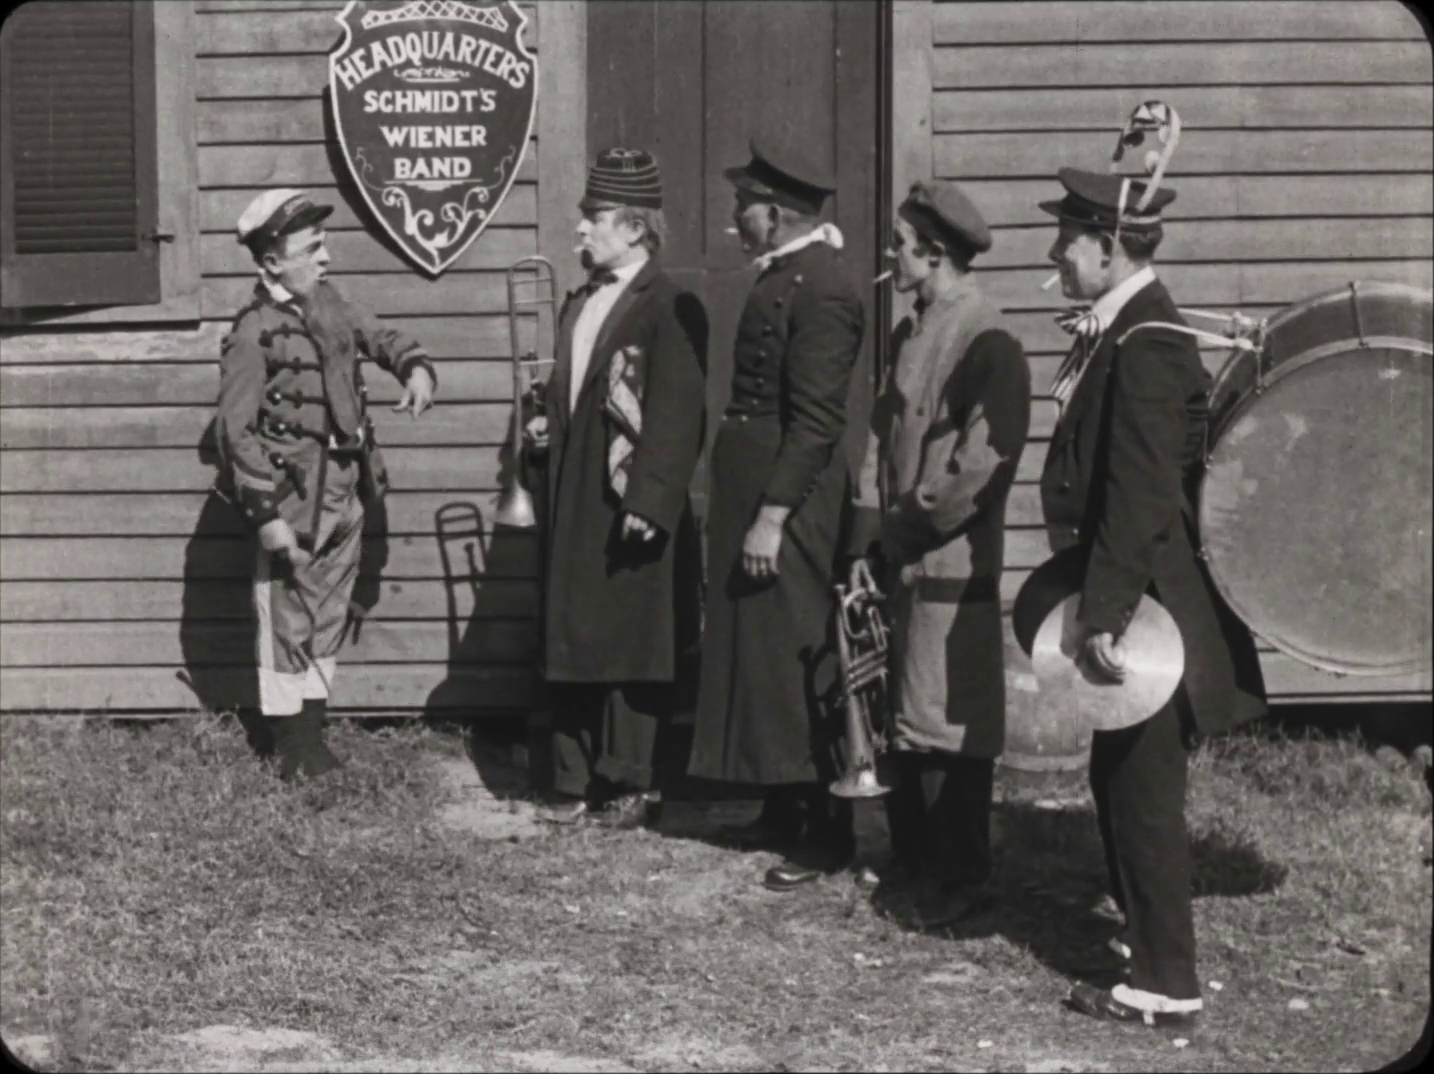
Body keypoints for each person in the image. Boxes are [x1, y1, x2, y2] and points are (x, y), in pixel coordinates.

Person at [1037, 147, 1266, 1025]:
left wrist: (1105, 614)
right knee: (1119, 778)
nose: (1055, 255)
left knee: (1142, 793)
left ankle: (1168, 986)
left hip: (1147, 607)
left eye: (1067, 239)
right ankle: (1146, 943)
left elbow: (1139, 495)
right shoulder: (1128, 328)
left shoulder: (1148, 341)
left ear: (1107, 247)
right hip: (1135, 597)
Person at [851, 181, 1031, 927]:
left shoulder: (988, 340)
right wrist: (868, 535)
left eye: (900, 243)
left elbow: (982, 467)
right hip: (901, 557)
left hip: (950, 562)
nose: (890, 253)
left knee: (950, 719)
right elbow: (880, 437)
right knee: (902, 710)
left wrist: (904, 529)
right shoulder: (911, 330)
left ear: (933, 253)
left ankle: (960, 877)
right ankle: (915, 858)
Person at [687, 138, 866, 891]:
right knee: (760, 655)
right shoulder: (785, 275)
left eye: (744, 206)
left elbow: (818, 423)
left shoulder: (824, 288)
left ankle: (827, 832)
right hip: (755, 491)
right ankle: (782, 805)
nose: (736, 217)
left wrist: (772, 515)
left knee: (797, 651)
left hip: (789, 501)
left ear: (775, 212)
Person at [217, 188, 437, 779]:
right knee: (287, 614)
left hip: (347, 486)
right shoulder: (252, 332)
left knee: (331, 609)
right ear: (271, 262)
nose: (326, 258)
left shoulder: (331, 304)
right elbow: (235, 433)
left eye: (324, 245)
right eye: (312, 248)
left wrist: (414, 366)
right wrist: (265, 515)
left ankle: (313, 731)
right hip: (294, 499)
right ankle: (291, 744)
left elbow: (380, 336)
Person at [523, 148, 707, 827]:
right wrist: (544, 424)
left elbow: (679, 414)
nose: (580, 229)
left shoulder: (671, 304)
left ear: (633, 228)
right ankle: (571, 780)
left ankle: (630, 780)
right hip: (574, 494)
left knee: (633, 639)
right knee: (572, 631)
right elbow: (569, 393)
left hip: (629, 500)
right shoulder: (579, 302)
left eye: (594, 217)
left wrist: (651, 500)